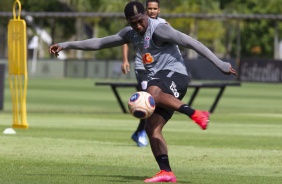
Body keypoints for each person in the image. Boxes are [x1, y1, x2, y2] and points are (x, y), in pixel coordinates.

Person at [49, 1, 237, 182]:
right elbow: (99, 43)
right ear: (128, 22)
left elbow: (192, 43)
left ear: (146, 14)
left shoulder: (160, 29)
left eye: (141, 20)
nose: (139, 25)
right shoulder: (130, 33)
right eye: (134, 22)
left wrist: (220, 64)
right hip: (160, 80)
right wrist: (66, 44)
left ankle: (196, 114)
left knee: (152, 93)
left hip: (176, 75)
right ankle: (166, 171)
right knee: (151, 128)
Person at [121, 0, 166, 147]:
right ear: (146, 11)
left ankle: (140, 131)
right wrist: (125, 60)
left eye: (155, 8)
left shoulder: (163, 24)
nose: (152, 11)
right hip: (142, 67)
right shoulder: (137, 24)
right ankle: (142, 132)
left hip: (158, 69)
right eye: (150, 8)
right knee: (147, 101)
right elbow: (124, 41)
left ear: (159, 10)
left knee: (155, 103)